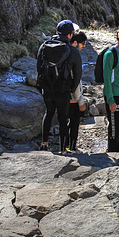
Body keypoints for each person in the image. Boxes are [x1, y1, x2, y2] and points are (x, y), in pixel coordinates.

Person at [37, 19, 82, 153]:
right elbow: (78, 74)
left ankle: (44, 143)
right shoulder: (72, 51)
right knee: (63, 118)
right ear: (70, 35)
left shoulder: (44, 46)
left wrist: (43, 86)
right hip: (63, 90)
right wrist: (72, 90)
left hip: (47, 88)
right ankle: (63, 149)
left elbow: (39, 67)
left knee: (49, 113)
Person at [67, 31, 87, 153]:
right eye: (82, 43)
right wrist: (80, 101)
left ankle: (65, 147)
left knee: (66, 123)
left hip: (62, 95)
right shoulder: (74, 55)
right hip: (73, 98)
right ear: (75, 42)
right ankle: (72, 147)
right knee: (74, 124)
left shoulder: (64, 53)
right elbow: (76, 81)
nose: (84, 46)